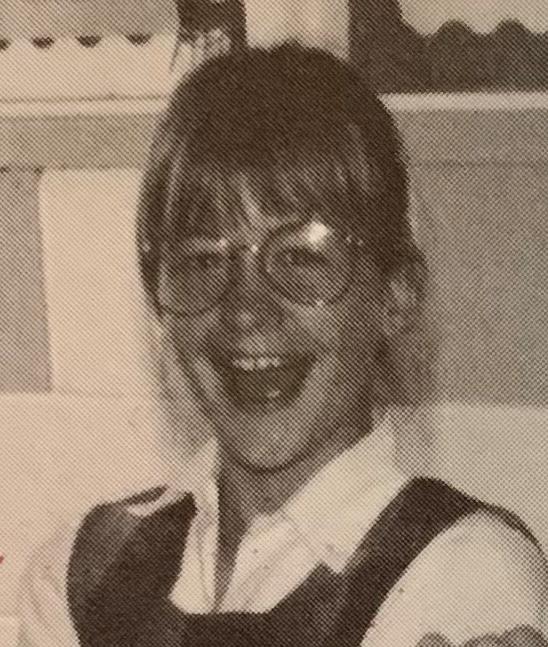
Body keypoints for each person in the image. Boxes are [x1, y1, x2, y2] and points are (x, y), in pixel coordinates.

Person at [18, 45, 547, 647]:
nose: (245, 310)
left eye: (300, 258)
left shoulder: (461, 571)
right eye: (203, 261)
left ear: (394, 296)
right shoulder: (82, 570)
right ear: (160, 304)